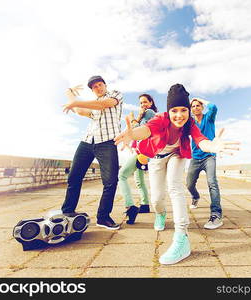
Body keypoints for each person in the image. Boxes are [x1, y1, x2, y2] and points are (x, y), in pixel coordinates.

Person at [114, 84, 239, 265]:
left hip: (177, 155)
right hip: (157, 156)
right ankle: (161, 213)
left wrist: (211, 146)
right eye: (174, 110)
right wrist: (133, 134)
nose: (179, 115)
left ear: (188, 110)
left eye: (183, 110)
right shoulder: (160, 119)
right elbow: (146, 130)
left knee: (175, 187)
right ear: (168, 111)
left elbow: (201, 140)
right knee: (157, 198)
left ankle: (182, 237)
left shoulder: (189, 123)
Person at [61, 75, 123, 230]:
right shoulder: (93, 106)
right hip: (87, 142)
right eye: (95, 87)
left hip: (107, 142)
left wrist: (75, 101)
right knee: (74, 177)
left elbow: (104, 104)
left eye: (100, 84)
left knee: (110, 181)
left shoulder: (115, 94)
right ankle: (67, 212)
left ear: (105, 85)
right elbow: (80, 111)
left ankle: (103, 217)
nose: (98, 88)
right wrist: (69, 93)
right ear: (92, 90)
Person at [118, 94, 158, 224]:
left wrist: (135, 119)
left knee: (122, 175)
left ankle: (130, 206)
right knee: (139, 180)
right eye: (141, 103)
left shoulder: (149, 112)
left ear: (151, 103)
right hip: (140, 151)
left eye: (145, 102)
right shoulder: (145, 114)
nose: (143, 105)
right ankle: (145, 204)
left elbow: (143, 130)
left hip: (144, 151)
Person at [186, 98, 224, 229]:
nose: (196, 107)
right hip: (195, 157)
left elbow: (214, 107)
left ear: (202, 107)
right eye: (193, 106)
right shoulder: (190, 122)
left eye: (198, 106)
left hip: (209, 156)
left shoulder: (209, 118)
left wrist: (199, 99)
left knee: (212, 182)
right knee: (189, 184)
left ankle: (216, 214)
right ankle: (195, 197)